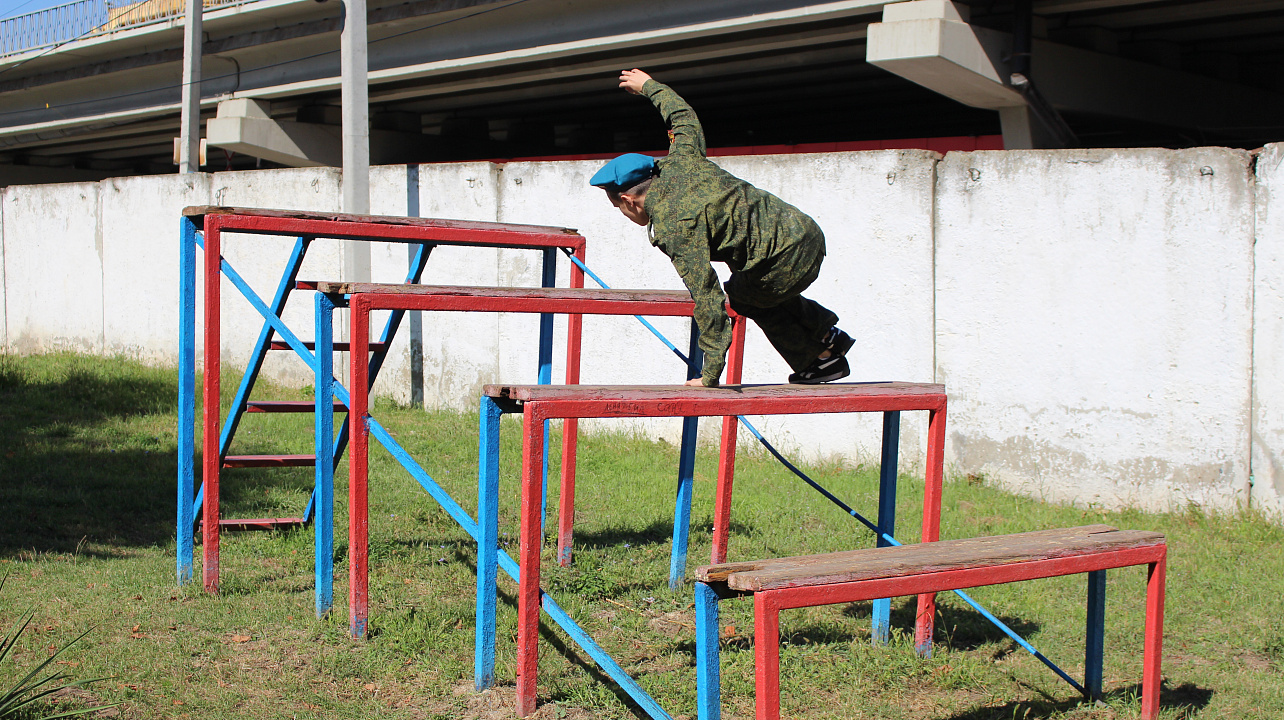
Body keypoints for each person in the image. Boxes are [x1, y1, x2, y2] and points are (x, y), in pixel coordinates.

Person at [590, 68, 853, 387]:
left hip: (784, 262)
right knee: (752, 286)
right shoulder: (683, 159)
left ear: (630, 200)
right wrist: (649, 86)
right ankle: (826, 332)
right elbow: (682, 117)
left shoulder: (675, 224)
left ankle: (820, 360)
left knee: (741, 296)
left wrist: (709, 374)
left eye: (618, 208)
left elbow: (708, 297)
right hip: (807, 232)